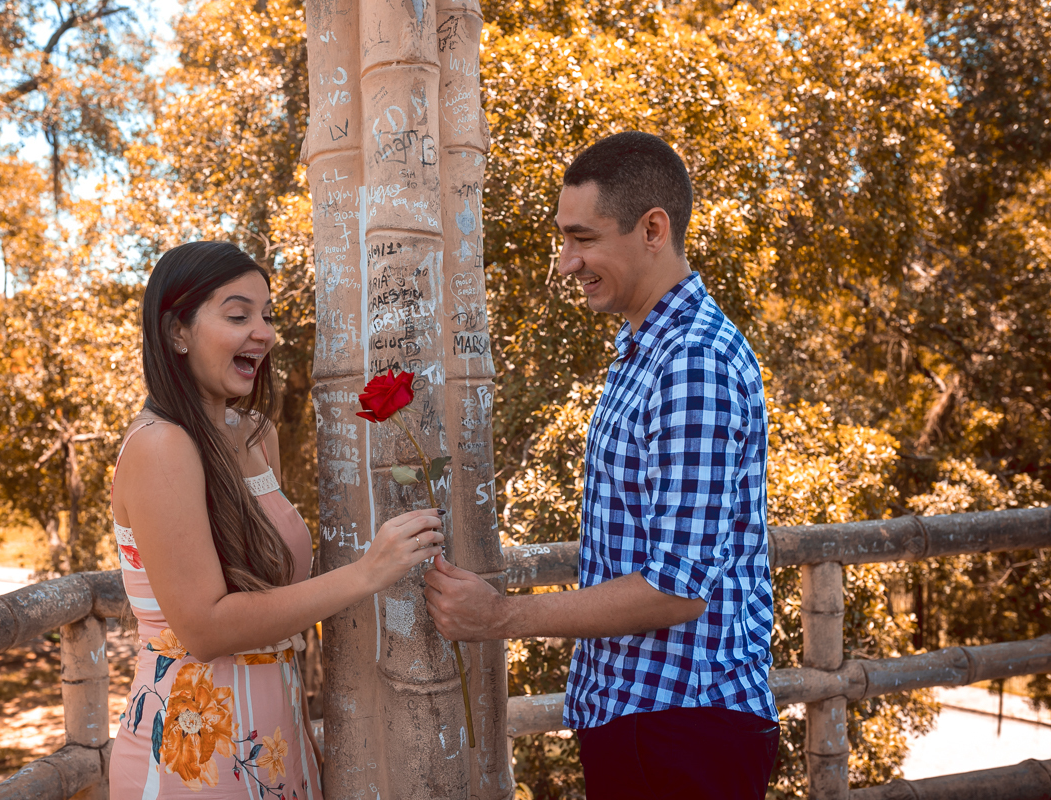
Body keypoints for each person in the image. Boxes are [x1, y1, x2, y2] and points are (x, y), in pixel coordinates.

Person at [423, 132, 778, 798]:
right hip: (641, 721)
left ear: (653, 230)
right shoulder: (643, 348)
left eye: (583, 239)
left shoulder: (691, 362)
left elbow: (677, 587)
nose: (567, 264)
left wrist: (500, 618)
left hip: (683, 730)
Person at [109, 241, 445, 799]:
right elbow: (206, 629)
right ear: (177, 332)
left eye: (267, 316)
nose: (263, 333)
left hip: (277, 741)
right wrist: (367, 572)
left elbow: (276, 596)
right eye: (238, 316)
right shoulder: (160, 446)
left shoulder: (257, 435)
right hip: (194, 759)